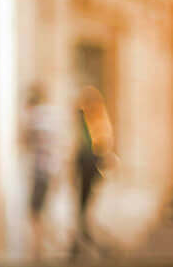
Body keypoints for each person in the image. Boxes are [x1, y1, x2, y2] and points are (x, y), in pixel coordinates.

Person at [71, 85, 115, 262]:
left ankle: (84, 242)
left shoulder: (95, 123)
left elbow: (101, 146)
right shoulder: (89, 122)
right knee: (83, 209)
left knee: (84, 209)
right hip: (87, 166)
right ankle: (81, 242)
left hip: (90, 166)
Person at [21, 84, 59, 261]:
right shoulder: (51, 117)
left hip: (39, 171)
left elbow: (24, 141)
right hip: (51, 170)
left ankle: (39, 250)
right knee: (44, 210)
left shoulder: (35, 118)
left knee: (35, 212)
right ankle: (44, 247)